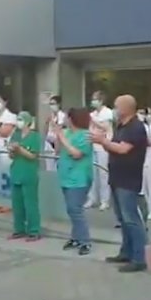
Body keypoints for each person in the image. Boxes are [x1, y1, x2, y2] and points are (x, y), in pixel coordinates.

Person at [91, 94, 148, 273]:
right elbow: (114, 146)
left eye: (116, 106)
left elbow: (123, 149)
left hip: (128, 180)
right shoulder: (121, 126)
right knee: (123, 219)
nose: (114, 109)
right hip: (116, 178)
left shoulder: (136, 127)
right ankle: (126, 252)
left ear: (126, 108)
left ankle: (139, 258)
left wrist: (103, 141)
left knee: (131, 219)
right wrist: (104, 141)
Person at [53, 107, 94, 255]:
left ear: (72, 119)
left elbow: (76, 154)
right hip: (66, 177)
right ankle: (75, 237)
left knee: (75, 209)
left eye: (67, 117)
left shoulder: (85, 136)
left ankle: (85, 241)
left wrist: (62, 137)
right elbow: (58, 150)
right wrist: (58, 135)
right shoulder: (67, 133)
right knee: (71, 209)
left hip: (80, 178)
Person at [7, 111, 41, 242]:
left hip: (29, 173)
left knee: (30, 203)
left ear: (28, 122)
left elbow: (33, 156)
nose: (19, 122)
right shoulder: (15, 135)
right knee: (17, 204)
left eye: (21, 120)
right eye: (18, 119)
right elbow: (11, 155)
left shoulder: (34, 137)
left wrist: (20, 149)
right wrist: (12, 150)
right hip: (16, 171)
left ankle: (34, 230)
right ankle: (19, 229)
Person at [86, 91, 113, 211]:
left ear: (101, 101)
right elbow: (90, 128)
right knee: (92, 173)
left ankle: (105, 200)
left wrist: (93, 121)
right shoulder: (92, 114)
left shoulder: (107, 112)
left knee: (103, 174)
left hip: (103, 146)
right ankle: (92, 198)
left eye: (95, 99)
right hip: (93, 145)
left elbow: (105, 127)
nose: (93, 101)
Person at [44, 95, 66, 171]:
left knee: (56, 166)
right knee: (49, 167)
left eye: (53, 103)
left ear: (58, 104)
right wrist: (47, 123)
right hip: (48, 141)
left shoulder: (62, 115)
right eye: (50, 104)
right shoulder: (50, 115)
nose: (51, 106)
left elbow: (58, 130)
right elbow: (46, 131)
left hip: (57, 143)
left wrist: (53, 122)